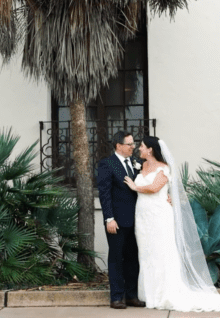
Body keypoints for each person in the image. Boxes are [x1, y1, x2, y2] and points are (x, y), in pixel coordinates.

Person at [123, 136, 220, 312]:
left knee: (162, 252)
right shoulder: (142, 165)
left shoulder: (164, 168)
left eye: (142, 146)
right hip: (143, 216)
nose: (139, 148)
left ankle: (164, 293)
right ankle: (149, 295)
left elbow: (154, 188)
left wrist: (135, 187)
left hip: (159, 215)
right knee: (147, 254)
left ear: (150, 150)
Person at [97, 131, 146, 310]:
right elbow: (104, 194)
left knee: (133, 258)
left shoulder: (138, 163)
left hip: (138, 221)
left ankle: (132, 295)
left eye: (133, 144)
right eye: (129, 144)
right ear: (118, 146)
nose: (133, 147)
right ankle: (116, 297)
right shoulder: (107, 164)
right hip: (117, 221)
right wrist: (109, 218)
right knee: (117, 258)